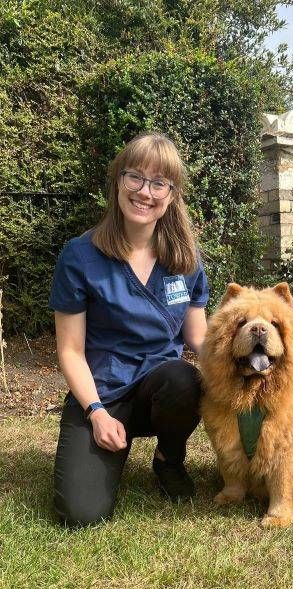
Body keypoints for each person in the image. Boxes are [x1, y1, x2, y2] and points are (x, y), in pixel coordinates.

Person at [49, 133, 209, 527]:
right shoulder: (81, 255)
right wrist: (97, 413)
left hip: (160, 389)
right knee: (81, 514)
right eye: (135, 177)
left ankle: (168, 459)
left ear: (171, 195)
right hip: (102, 393)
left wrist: (246, 378)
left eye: (159, 183)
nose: (145, 192)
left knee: (185, 378)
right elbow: (70, 350)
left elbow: (199, 339)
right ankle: (101, 438)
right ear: (118, 181)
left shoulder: (185, 259)